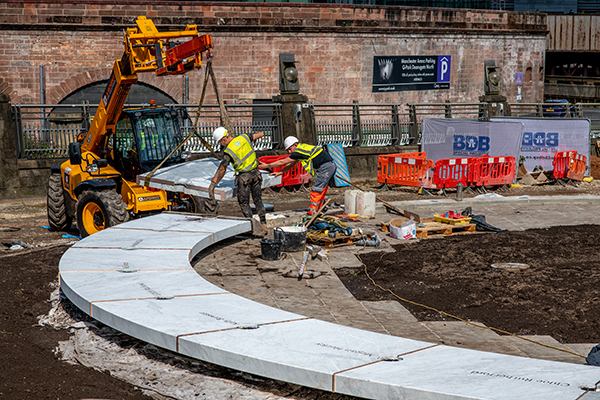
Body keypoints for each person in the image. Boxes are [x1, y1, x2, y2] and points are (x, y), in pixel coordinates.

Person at [258, 136, 336, 216]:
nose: (289, 152)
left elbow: (282, 162)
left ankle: (312, 211)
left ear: (295, 145)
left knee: (316, 189)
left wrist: (267, 165)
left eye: (290, 149)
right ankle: (320, 208)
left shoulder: (298, 152)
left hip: (325, 167)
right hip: (331, 165)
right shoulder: (303, 148)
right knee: (322, 188)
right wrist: (280, 172)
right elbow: (291, 164)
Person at [209, 127, 267, 231]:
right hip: (256, 174)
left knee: (244, 203)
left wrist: (216, 180)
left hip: (244, 178)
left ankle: (253, 228)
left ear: (224, 139)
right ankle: (264, 224)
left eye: (220, 142)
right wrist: (252, 140)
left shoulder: (228, 151)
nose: (221, 145)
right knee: (258, 200)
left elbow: (222, 170)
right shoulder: (244, 137)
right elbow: (261, 134)